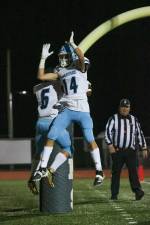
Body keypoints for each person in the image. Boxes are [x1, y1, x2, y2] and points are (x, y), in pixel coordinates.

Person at [32, 31, 104, 186]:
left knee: (89, 138)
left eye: (65, 56)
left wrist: (73, 44)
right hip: (68, 110)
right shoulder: (60, 71)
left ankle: (99, 171)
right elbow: (41, 77)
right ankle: (43, 168)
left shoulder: (81, 68)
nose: (63, 60)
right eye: (61, 57)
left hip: (83, 110)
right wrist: (43, 58)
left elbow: (80, 55)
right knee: (51, 134)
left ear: (71, 57)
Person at [28, 49, 73, 194]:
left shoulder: (36, 88)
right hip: (52, 122)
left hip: (39, 123)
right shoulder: (57, 85)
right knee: (68, 149)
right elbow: (66, 83)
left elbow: (41, 80)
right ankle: (49, 170)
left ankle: (31, 178)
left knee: (38, 153)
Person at [105, 98, 148, 200]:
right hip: (118, 150)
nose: (124, 109)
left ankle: (138, 192)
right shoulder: (113, 119)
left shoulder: (134, 119)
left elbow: (139, 134)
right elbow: (107, 132)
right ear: (119, 108)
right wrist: (110, 145)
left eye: (127, 107)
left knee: (133, 172)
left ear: (129, 108)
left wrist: (144, 147)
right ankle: (114, 194)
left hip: (130, 151)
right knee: (116, 173)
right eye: (123, 107)